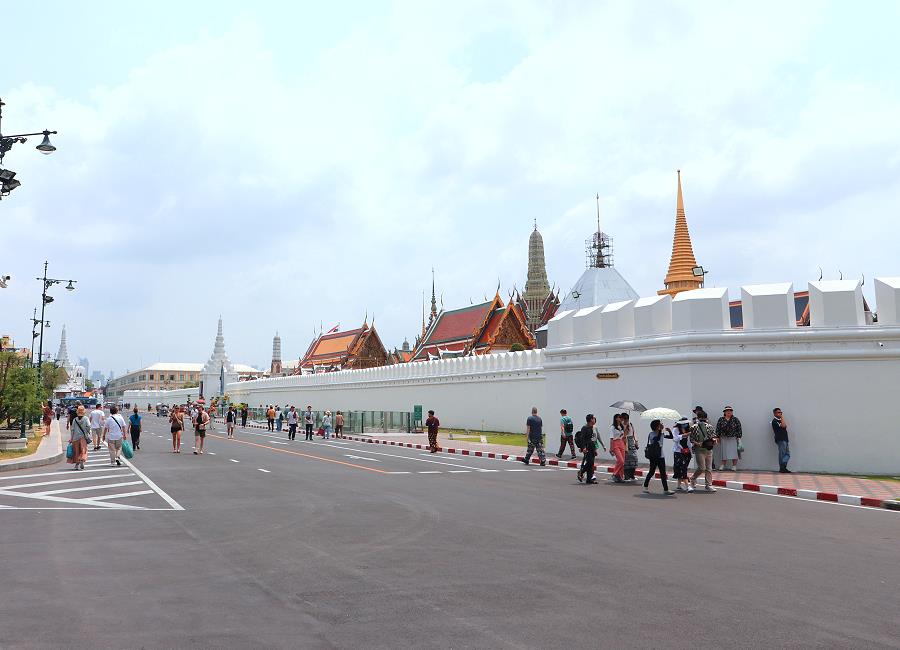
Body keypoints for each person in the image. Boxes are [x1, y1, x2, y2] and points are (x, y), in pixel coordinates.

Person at [643, 419, 676, 495]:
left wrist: (669, 431)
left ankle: (666, 490)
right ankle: (645, 486)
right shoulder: (651, 434)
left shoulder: (661, 434)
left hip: (661, 456)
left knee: (663, 473)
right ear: (656, 426)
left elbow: (671, 437)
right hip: (654, 456)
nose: (661, 425)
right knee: (652, 471)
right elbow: (656, 439)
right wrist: (660, 430)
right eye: (660, 424)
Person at [690, 410, 717, 492]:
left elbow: (714, 436)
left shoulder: (710, 426)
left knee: (709, 468)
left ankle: (708, 485)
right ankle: (693, 478)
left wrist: (714, 441)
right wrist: (697, 443)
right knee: (702, 468)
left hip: (708, 449)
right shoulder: (693, 427)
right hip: (699, 450)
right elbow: (691, 439)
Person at [576, 414, 604, 484]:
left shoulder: (591, 427)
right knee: (590, 462)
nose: (595, 420)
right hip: (586, 447)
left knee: (591, 463)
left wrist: (594, 449)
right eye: (593, 418)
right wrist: (583, 448)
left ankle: (589, 479)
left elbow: (592, 439)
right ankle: (581, 472)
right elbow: (582, 439)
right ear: (591, 420)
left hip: (591, 446)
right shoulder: (584, 428)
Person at [715, 406, 742, 471]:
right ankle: (723, 465)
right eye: (727, 411)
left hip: (733, 438)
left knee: (734, 452)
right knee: (724, 452)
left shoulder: (735, 419)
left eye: (730, 411)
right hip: (724, 438)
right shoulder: (721, 419)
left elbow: (739, 428)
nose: (729, 412)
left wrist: (739, 437)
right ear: (724, 412)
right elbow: (718, 428)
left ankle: (734, 466)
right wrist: (717, 437)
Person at [671, 418, 694, 492]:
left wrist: (691, 449)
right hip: (679, 452)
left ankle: (679, 485)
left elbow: (689, 442)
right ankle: (688, 486)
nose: (685, 424)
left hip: (686, 451)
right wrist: (683, 435)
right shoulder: (676, 429)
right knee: (682, 468)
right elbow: (675, 439)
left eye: (686, 423)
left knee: (684, 467)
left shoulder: (688, 429)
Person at [67, 405, 91, 470]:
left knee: (76, 451)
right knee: (83, 450)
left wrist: (71, 438)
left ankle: (76, 465)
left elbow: (72, 429)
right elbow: (88, 426)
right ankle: (82, 460)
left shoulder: (75, 420)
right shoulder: (86, 418)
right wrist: (87, 432)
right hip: (83, 437)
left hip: (75, 438)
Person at [607, 413, 626, 483]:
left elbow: (623, 436)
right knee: (621, 461)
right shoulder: (613, 427)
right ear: (616, 418)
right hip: (615, 443)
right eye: (619, 417)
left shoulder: (621, 426)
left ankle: (620, 476)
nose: (621, 418)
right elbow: (611, 438)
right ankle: (615, 474)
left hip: (621, 443)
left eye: (621, 417)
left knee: (622, 462)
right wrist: (611, 448)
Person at [772, 407, 791, 473]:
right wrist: (782, 417)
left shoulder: (780, 420)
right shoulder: (774, 421)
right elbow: (783, 426)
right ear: (774, 414)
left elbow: (785, 426)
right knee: (782, 454)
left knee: (787, 454)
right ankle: (782, 467)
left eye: (781, 412)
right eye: (779, 412)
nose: (780, 413)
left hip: (785, 439)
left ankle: (783, 467)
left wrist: (781, 418)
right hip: (780, 439)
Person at [622, 412, 639, 483]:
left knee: (634, 459)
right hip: (625, 442)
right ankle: (626, 476)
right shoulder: (621, 426)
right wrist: (626, 429)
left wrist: (636, 441)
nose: (626, 421)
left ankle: (632, 475)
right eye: (624, 419)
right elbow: (623, 436)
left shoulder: (631, 424)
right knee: (626, 460)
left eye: (627, 419)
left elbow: (634, 433)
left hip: (631, 442)